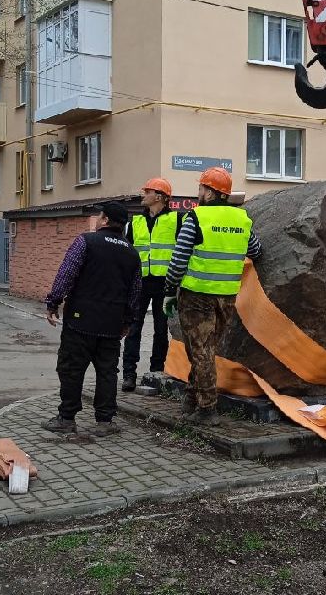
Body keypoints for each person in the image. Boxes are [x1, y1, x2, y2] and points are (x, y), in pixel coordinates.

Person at [163, 167, 262, 424]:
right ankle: (191, 398)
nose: (199, 192)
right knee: (205, 350)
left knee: (200, 352)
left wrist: (168, 291)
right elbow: (256, 250)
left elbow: (178, 260)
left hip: (196, 295)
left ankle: (207, 408)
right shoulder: (242, 219)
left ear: (209, 192)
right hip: (227, 296)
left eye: (201, 188)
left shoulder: (196, 217)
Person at [43, 201, 141, 436]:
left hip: (80, 321)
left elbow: (66, 273)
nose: (98, 218)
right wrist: (127, 322)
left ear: (105, 220)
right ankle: (105, 422)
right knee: (107, 372)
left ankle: (67, 418)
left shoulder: (85, 242)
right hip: (112, 325)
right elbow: (135, 292)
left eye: (100, 215)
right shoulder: (132, 253)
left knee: (71, 369)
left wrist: (53, 302)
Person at [121, 177, 183, 392]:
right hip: (139, 283)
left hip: (165, 284)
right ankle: (129, 374)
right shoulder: (134, 223)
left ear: (160, 197)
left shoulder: (177, 221)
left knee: (160, 328)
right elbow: (127, 254)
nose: (142, 194)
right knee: (133, 328)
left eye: (147, 191)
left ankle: (156, 371)